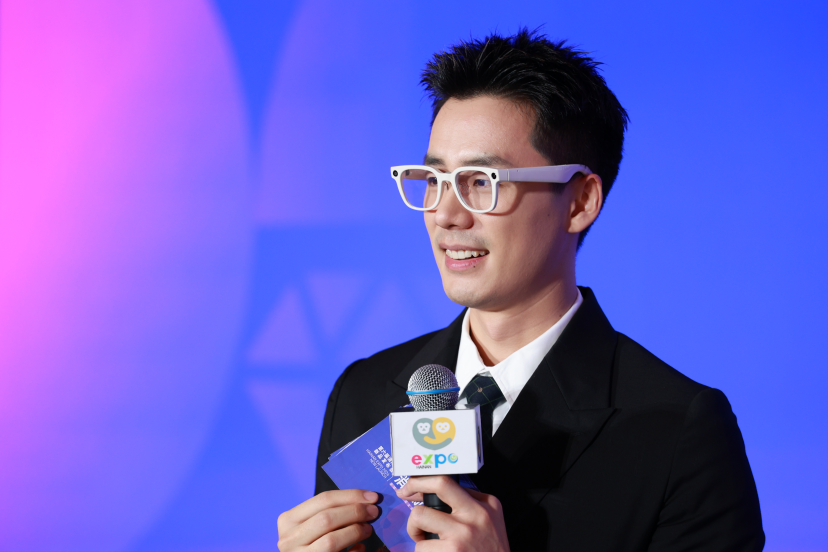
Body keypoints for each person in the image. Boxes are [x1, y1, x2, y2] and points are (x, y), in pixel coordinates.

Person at [277, 29, 764, 551]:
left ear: (579, 202)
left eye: (482, 181)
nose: (446, 215)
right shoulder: (363, 392)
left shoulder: (678, 430)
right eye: (435, 180)